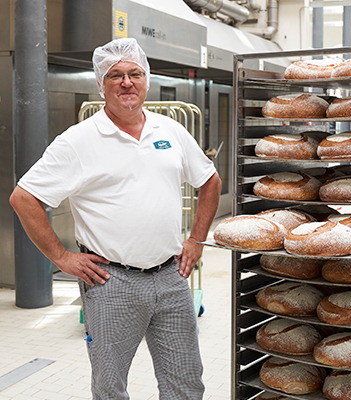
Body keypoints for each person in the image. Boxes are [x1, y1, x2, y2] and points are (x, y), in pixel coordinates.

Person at [9, 38, 221, 400]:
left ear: (146, 79)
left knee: (186, 381)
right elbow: (23, 197)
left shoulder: (169, 130)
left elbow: (210, 180)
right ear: (100, 84)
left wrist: (196, 240)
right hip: (112, 283)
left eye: (135, 73)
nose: (127, 82)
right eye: (115, 75)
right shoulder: (78, 141)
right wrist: (61, 258)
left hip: (172, 277)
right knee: (110, 386)